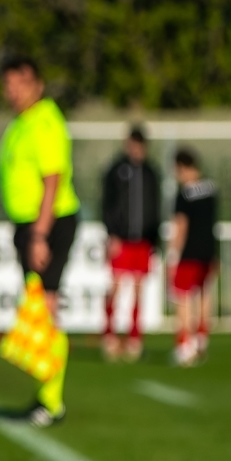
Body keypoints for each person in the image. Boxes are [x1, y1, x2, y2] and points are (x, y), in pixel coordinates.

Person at [0, 56, 80, 425]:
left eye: (22, 83)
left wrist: (40, 235)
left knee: (46, 308)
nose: (14, 91)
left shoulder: (45, 121)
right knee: (39, 309)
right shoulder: (21, 123)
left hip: (49, 224)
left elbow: (52, 182)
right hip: (30, 226)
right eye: (9, 85)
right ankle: (45, 396)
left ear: (38, 85)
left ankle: (51, 401)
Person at [100, 126, 161, 362]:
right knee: (115, 287)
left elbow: (154, 206)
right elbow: (108, 203)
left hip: (143, 239)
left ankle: (134, 338)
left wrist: (154, 238)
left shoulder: (151, 173)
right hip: (121, 238)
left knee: (138, 289)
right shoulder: (116, 170)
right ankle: (109, 335)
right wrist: (112, 233)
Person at [168, 148, 218, 367]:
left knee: (183, 296)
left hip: (189, 252)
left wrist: (173, 254)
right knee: (204, 294)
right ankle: (201, 337)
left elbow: (181, 225)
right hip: (208, 250)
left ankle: (184, 343)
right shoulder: (211, 189)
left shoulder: (184, 194)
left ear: (182, 167)